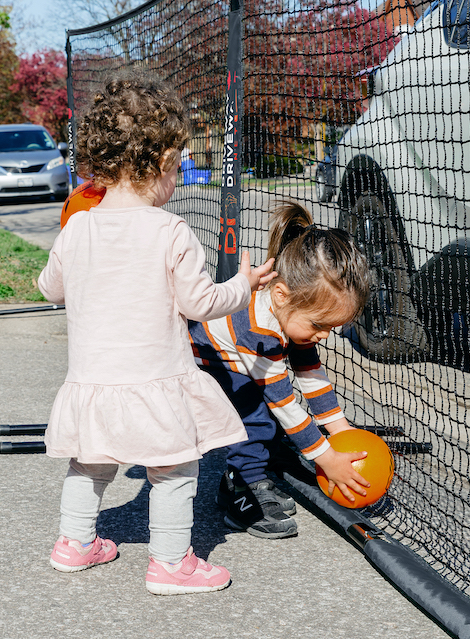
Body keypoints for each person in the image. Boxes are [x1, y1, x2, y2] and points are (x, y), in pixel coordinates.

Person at [37, 71, 275, 595]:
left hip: (92, 382)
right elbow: (202, 304)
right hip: (156, 381)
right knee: (174, 469)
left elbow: (50, 287)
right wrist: (245, 284)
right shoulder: (171, 231)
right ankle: (170, 564)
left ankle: (74, 545)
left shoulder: (77, 227)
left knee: (89, 463)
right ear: (166, 163)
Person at [189, 200, 373, 539]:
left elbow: (312, 377)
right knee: (258, 417)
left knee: (267, 417)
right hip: (200, 360)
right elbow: (284, 404)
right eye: (320, 325)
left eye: (333, 327)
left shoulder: (293, 311)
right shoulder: (260, 331)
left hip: (231, 359)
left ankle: (252, 473)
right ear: (281, 294)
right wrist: (326, 458)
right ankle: (241, 489)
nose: (323, 335)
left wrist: (342, 432)